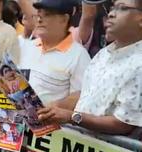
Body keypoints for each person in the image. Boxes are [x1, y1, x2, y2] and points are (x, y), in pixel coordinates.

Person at [37, 0, 142, 136]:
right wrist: (54, 107)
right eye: (112, 8)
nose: (111, 14)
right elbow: (88, 93)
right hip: (77, 145)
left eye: (122, 8)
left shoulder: (139, 64)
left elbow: (122, 124)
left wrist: (73, 117)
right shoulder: (104, 53)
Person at [18, 0, 91, 105]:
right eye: (38, 15)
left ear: (64, 19)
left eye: (47, 15)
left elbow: (81, 98)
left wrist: (53, 108)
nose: (39, 20)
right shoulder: (26, 46)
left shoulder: (79, 56)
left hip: (50, 120)